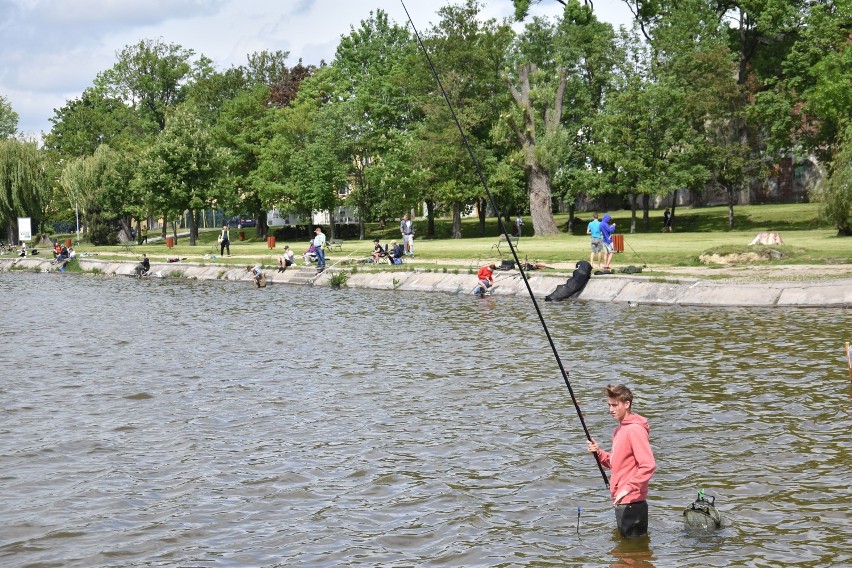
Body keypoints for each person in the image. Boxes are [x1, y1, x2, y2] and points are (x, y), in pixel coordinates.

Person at [587, 384, 656, 538]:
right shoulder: (620, 429)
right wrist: (598, 453)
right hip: (622, 500)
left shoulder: (634, 430)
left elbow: (648, 465)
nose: (610, 409)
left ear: (627, 404)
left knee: (630, 555)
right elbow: (616, 463)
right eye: (609, 405)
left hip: (632, 502)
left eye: (614, 405)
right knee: (626, 555)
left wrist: (626, 489)